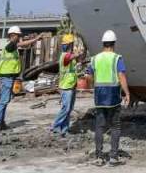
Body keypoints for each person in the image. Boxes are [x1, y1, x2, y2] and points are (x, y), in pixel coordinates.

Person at [0, 26, 48, 135]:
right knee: (3, 101)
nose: (20, 37)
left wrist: (34, 40)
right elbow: (19, 44)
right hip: (6, 77)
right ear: (13, 35)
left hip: (10, 76)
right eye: (18, 35)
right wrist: (35, 39)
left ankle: (1, 123)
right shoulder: (10, 46)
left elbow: (20, 45)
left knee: (6, 100)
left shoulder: (12, 47)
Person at [86, 29, 130, 166]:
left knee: (99, 126)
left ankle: (99, 157)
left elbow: (88, 77)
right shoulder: (117, 58)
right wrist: (127, 93)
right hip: (113, 97)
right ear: (114, 43)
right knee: (115, 127)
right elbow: (121, 76)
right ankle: (113, 157)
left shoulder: (95, 58)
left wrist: (93, 86)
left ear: (103, 43)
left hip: (99, 96)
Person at [51, 33, 83, 136]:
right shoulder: (65, 56)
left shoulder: (70, 57)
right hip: (66, 86)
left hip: (71, 85)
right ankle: (55, 126)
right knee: (66, 108)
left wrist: (79, 65)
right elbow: (70, 57)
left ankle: (64, 129)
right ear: (71, 44)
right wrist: (79, 53)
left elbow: (73, 68)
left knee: (69, 109)